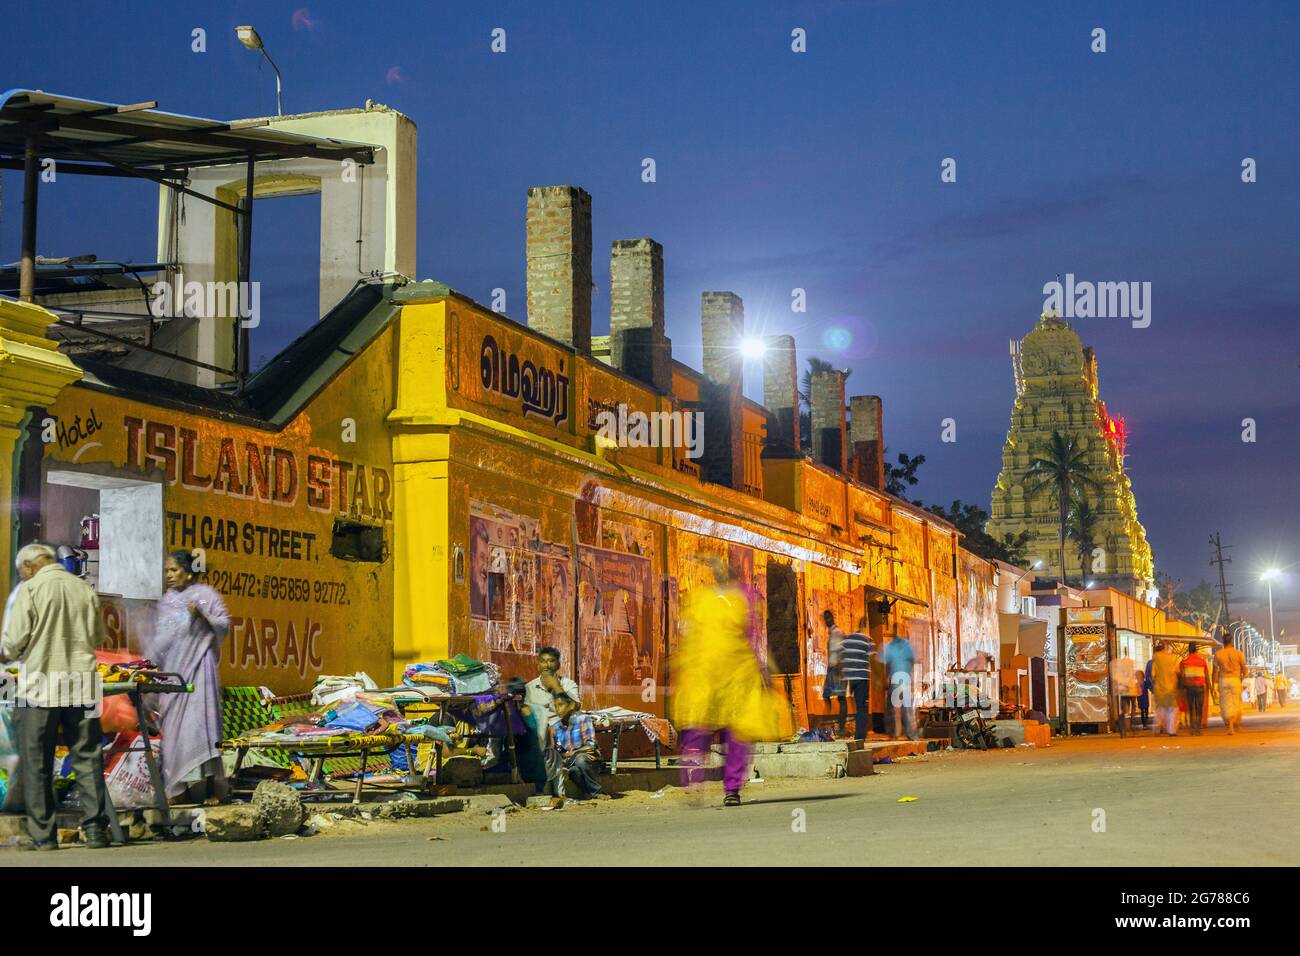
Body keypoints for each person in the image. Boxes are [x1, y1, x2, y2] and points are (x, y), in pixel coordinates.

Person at [0, 543, 110, 850]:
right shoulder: (84, 589)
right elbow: (97, 637)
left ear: (30, 566)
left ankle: (44, 837)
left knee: (37, 762)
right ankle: (96, 831)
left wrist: (7, 654)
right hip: (84, 686)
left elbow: (12, 644)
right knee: (88, 757)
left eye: (21, 570)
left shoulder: (30, 589)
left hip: (38, 688)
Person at [672, 558, 784, 806]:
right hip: (709, 673)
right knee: (701, 728)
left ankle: (727, 788)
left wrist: (766, 668)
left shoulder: (739, 599)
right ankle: (699, 782)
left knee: (734, 733)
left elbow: (752, 634)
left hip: (733, 674)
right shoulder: (706, 600)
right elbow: (691, 634)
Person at [150, 550, 231, 804]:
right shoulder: (167, 602)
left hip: (200, 670)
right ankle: (178, 789)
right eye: (166, 571)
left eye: (173, 570)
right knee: (174, 731)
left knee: (200, 728)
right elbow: (160, 639)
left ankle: (206, 789)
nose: (169, 576)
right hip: (174, 674)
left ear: (188, 571)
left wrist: (203, 617)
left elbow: (225, 625)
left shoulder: (206, 596)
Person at [523, 646, 581, 793]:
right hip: (538, 734)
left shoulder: (568, 684)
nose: (547, 665)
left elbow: (574, 707)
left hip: (561, 731)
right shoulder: (529, 687)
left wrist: (556, 687)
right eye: (543, 661)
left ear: (558, 665)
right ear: (538, 665)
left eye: (551, 661)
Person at [548, 693, 602, 799]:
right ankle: (590, 793)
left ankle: (597, 792)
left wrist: (571, 754)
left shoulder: (583, 719)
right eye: (555, 706)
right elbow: (556, 751)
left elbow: (591, 746)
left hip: (591, 762)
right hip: (569, 763)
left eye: (561, 705)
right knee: (573, 772)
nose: (558, 709)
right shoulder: (555, 727)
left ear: (571, 705)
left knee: (580, 760)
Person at [840, 618, 874, 741]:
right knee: (862, 707)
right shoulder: (867, 640)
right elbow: (873, 661)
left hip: (851, 678)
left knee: (857, 705)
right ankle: (860, 737)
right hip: (862, 677)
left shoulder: (847, 639)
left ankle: (859, 734)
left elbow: (841, 658)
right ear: (866, 626)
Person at [883, 631, 917, 740]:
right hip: (905, 679)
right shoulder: (907, 645)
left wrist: (887, 677)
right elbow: (912, 661)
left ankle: (896, 733)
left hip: (895, 680)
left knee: (895, 710)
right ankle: (910, 734)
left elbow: (888, 664)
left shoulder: (890, 646)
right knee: (907, 708)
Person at [1213, 635, 1246, 735]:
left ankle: (1230, 726)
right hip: (1235, 679)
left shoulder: (1218, 654)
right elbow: (1244, 669)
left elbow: (1215, 671)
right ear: (1231, 641)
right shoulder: (1238, 653)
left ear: (1223, 641)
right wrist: (1242, 677)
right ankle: (1235, 725)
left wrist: (1214, 683)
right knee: (1235, 702)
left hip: (1223, 679)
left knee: (1225, 704)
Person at [821, 610, 847, 736]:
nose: (826, 621)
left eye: (828, 618)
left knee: (841, 697)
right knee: (826, 695)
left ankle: (841, 727)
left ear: (832, 618)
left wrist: (841, 668)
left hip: (838, 668)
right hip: (832, 668)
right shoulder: (832, 633)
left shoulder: (837, 632)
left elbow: (842, 651)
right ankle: (829, 722)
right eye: (825, 618)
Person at [1150, 641, 1180, 737]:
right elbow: (1177, 672)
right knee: (1172, 709)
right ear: (1167, 646)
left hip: (1159, 688)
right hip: (1170, 688)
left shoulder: (1156, 657)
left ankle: (1157, 728)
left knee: (1160, 709)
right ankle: (1171, 730)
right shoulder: (1173, 658)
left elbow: (1153, 674)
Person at [1179, 645, 1209, 736]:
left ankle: (1192, 729)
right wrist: (1210, 687)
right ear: (1196, 650)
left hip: (1189, 687)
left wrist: (1181, 688)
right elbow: (1206, 675)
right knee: (1199, 708)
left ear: (1189, 650)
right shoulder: (1202, 661)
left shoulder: (1184, 662)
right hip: (1200, 687)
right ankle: (1198, 729)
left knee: (1191, 708)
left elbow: (1182, 676)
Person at [1138, 657, 1152, 729]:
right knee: (1142, 712)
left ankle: (1145, 723)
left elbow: (1149, 687)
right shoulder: (1138, 684)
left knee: (1145, 712)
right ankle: (1144, 724)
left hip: (1144, 700)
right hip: (1141, 700)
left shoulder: (1144, 683)